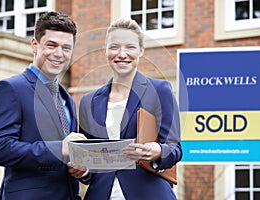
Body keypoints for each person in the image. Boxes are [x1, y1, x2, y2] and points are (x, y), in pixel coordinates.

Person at [0, 11, 87, 200]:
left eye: (66, 48)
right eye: (51, 45)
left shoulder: (68, 99)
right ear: (35, 45)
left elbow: (66, 156)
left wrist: (81, 169)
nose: (59, 54)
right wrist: (60, 149)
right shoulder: (9, 89)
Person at [78, 18, 182, 200]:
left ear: (141, 50)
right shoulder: (89, 101)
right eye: (114, 47)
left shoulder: (160, 91)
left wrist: (158, 150)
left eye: (130, 47)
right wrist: (83, 171)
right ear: (105, 51)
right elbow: (89, 164)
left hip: (149, 194)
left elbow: (175, 148)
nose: (122, 54)